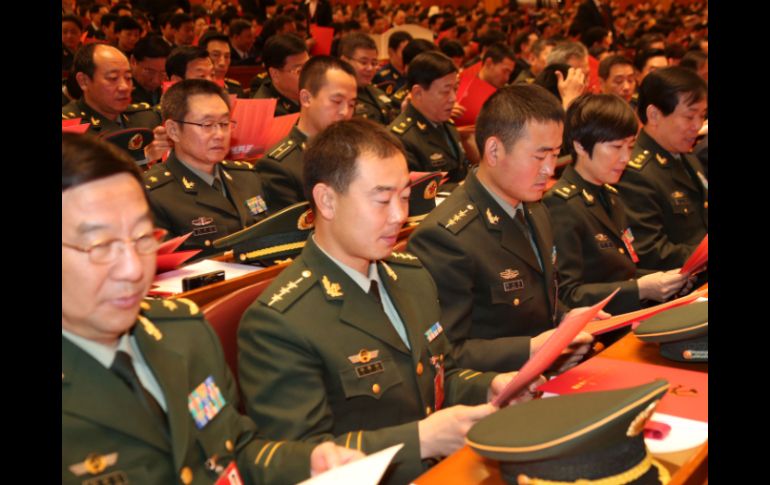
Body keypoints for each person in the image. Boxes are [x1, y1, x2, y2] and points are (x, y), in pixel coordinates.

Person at [238, 119, 539, 485]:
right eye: (382, 199)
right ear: (327, 201)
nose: (400, 215)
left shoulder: (411, 276)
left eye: (405, 197)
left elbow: (436, 377)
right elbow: (300, 461)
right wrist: (420, 440)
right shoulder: (281, 321)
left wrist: (490, 387)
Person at [62, 132, 362, 485]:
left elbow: (233, 452)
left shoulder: (183, 333)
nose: (132, 268)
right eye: (100, 245)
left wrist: (307, 463)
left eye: (143, 238)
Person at [408, 85, 596, 373]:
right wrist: (532, 350)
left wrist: (568, 320)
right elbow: (445, 356)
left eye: (556, 154)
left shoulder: (534, 208)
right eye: (539, 156)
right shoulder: (445, 237)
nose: (550, 169)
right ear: (494, 150)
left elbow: (540, 303)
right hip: (495, 393)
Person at [542, 94, 690, 315]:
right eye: (616, 147)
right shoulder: (561, 205)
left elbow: (623, 271)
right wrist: (641, 288)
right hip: (601, 328)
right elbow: (567, 295)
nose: (625, 158)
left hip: (630, 315)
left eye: (630, 147)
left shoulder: (610, 194)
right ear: (581, 146)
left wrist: (666, 280)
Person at [144, 79, 272, 257]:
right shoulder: (154, 194)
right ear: (173, 131)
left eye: (224, 123)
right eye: (206, 125)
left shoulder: (247, 177)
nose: (219, 134)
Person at [615, 67, 708, 271]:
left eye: (702, 116)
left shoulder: (685, 154)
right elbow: (650, 252)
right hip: (682, 285)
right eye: (689, 117)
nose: (698, 125)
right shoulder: (634, 173)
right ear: (654, 115)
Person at [257, 56, 357, 210]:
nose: (345, 112)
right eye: (337, 101)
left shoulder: (356, 151)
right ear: (306, 98)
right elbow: (296, 230)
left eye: (351, 104)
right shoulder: (280, 167)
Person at [62, 43, 169, 164]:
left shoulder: (145, 117)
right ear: (84, 81)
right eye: (113, 78)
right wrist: (143, 158)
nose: (124, 87)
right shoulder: (68, 128)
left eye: (128, 78)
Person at [388, 51, 469, 189]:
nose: (453, 98)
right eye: (445, 91)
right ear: (418, 93)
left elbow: (461, 171)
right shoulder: (399, 139)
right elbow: (414, 195)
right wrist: (464, 187)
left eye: (455, 89)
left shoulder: (447, 124)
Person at [338, 33, 396, 125]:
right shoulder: (337, 97)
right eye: (363, 62)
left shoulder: (377, 92)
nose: (370, 68)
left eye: (374, 63)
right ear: (345, 61)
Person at [251, 34, 308, 116]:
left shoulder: (313, 92)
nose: (308, 75)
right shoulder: (268, 112)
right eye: (299, 71)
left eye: (308, 66)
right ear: (275, 74)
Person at [199, 32, 245, 98]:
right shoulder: (191, 90)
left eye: (227, 56)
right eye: (216, 55)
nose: (222, 63)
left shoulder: (235, 89)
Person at [130, 35, 171, 106]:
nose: (156, 81)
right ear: (133, 61)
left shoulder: (166, 91)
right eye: (149, 72)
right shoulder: (123, 94)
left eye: (163, 73)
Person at [372, 30, 412, 96]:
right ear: (391, 52)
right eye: (404, 53)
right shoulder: (381, 77)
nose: (408, 56)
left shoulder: (413, 73)